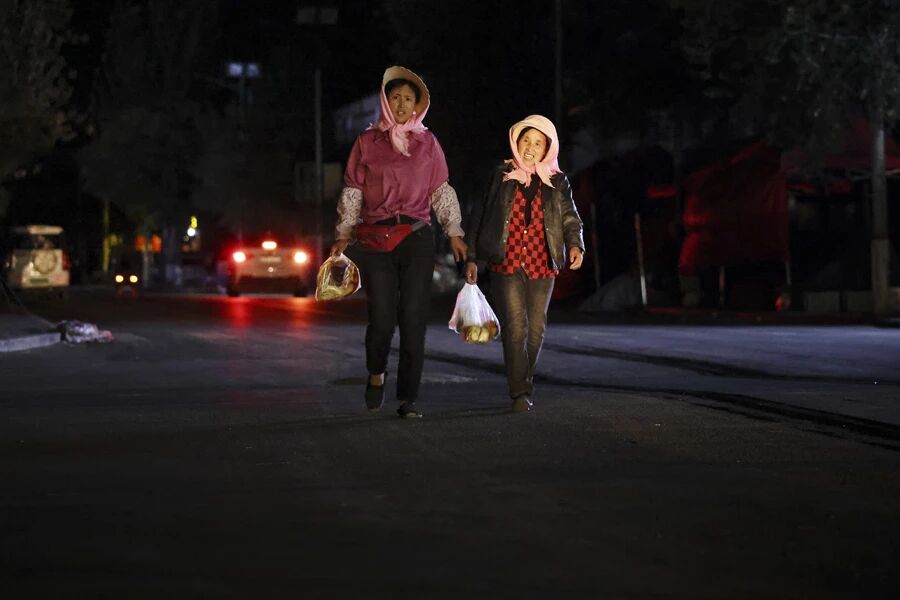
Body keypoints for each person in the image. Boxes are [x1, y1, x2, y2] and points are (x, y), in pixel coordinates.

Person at [331, 66, 467, 419]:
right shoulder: (367, 142)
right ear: (385, 101)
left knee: (413, 319)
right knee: (381, 320)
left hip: (416, 236)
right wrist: (343, 234)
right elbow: (353, 191)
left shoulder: (428, 143)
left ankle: (408, 398)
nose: (403, 104)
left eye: (409, 99)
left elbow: (440, 190)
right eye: (396, 98)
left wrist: (454, 232)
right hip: (375, 238)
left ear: (418, 105)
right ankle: (376, 373)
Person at [464, 115, 584, 413]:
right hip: (506, 263)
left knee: (536, 329)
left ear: (547, 148)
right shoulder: (501, 175)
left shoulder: (558, 181)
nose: (530, 148)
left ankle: (523, 379)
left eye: (538, 143)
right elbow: (481, 215)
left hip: (543, 264)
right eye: (526, 141)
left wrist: (575, 245)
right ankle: (520, 391)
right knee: (516, 327)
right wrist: (472, 258)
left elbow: (570, 218)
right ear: (516, 143)